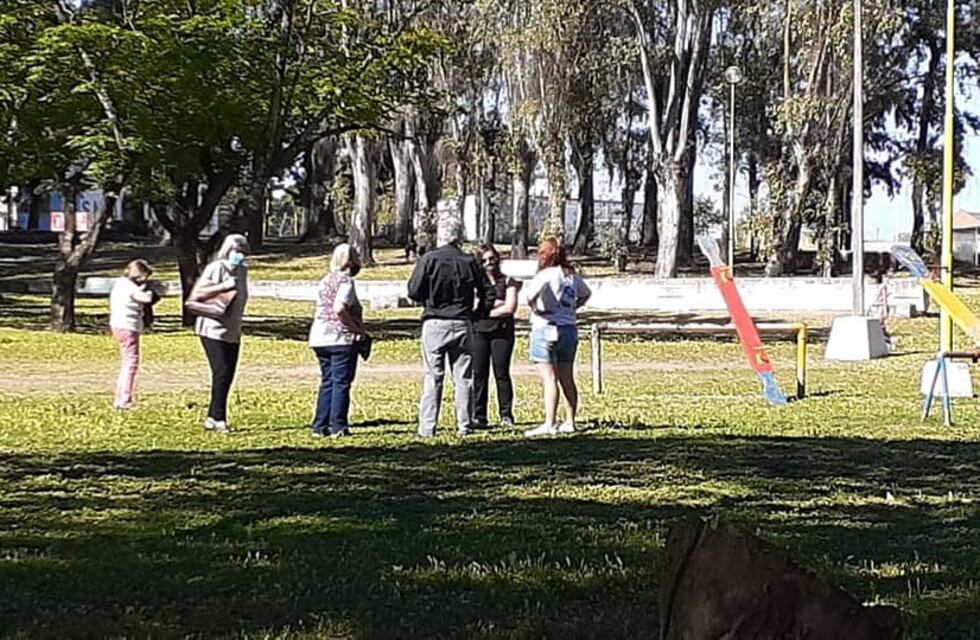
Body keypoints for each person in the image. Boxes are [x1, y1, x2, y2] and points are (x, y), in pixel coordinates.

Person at [407, 217, 495, 437]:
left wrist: (429, 297)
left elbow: (413, 290)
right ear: (459, 236)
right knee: (463, 377)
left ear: (441, 235)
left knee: (433, 375)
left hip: (435, 321)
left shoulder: (428, 260)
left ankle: (427, 427)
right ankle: (464, 424)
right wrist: (477, 314)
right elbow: (488, 292)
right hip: (462, 322)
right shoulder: (469, 261)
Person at [523, 238, 591, 437]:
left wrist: (537, 308)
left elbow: (529, 295)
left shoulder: (545, 275)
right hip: (568, 329)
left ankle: (549, 423)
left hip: (545, 327)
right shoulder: (571, 276)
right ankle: (570, 421)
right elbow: (586, 294)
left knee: (549, 378)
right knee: (567, 377)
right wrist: (572, 309)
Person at [308, 243, 367, 438]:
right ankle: (338, 425)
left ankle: (320, 424)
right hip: (339, 338)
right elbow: (339, 307)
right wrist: (355, 328)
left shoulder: (325, 280)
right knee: (341, 382)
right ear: (350, 261)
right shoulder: (345, 282)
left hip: (319, 336)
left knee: (327, 381)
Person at [194, 234, 250, 434]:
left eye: (243, 252)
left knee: (228, 375)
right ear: (227, 251)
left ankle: (213, 414)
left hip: (232, 331)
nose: (240, 255)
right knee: (221, 372)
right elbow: (200, 294)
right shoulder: (216, 268)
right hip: (212, 328)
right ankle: (218, 418)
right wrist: (223, 287)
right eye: (237, 251)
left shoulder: (242, 271)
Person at [472, 244, 521, 428]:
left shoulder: (508, 281)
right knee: (479, 374)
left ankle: (506, 415)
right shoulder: (476, 284)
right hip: (479, 332)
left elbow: (510, 308)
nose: (489, 263)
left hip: (502, 332)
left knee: (501, 373)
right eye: (484, 260)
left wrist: (485, 310)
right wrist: (496, 305)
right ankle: (479, 416)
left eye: (492, 259)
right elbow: (472, 306)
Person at [108, 259, 156, 409]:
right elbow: (146, 298)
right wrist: (150, 290)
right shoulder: (129, 287)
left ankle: (120, 397)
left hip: (117, 324)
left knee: (126, 362)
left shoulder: (120, 283)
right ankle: (124, 399)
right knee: (131, 363)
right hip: (128, 326)